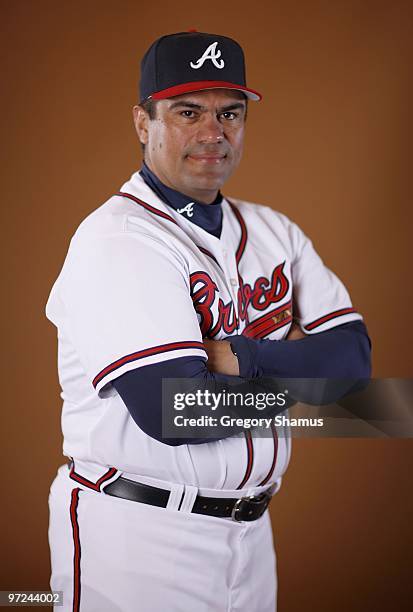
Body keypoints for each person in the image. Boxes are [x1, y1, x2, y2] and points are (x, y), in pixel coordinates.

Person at [45, 31, 371, 612]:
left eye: (230, 113)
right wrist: (307, 380)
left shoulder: (275, 231)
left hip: (251, 537)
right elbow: (177, 410)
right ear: (144, 123)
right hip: (139, 537)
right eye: (187, 111)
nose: (212, 133)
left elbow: (353, 362)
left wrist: (246, 359)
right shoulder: (119, 239)